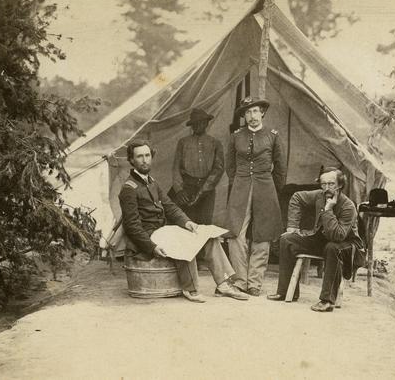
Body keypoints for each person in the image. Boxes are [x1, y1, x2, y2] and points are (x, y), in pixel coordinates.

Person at [118, 139, 249, 303]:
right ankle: (190, 289)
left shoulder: (152, 182)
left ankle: (223, 284)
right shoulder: (129, 189)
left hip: (162, 231)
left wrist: (188, 223)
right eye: (139, 157)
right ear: (131, 160)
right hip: (147, 236)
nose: (145, 160)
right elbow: (132, 227)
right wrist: (152, 247)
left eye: (147, 155)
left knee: (206, 235)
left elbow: (170, 207)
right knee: (184, 241)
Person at [267, 167, 364, 312]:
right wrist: (292, 226)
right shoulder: (319, 195)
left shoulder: (348, 206)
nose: (326, 188)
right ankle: (286, 291)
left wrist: (328, 209)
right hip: (323, 240)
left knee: (332, 247)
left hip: (347, 246)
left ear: (340, 185)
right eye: (323, 184)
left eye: (331, 184)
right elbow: (297, 197)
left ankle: (327, 300)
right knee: (287, 239)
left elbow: (337, 236)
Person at [225, 96, 286, 296]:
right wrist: (238, 182)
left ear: (262, 113)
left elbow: (280, 168)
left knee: (263, 234)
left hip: (265, 186)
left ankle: (254, 283)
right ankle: (240, 280)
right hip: (241, 186)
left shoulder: (273, 135)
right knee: (235, 232)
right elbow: (230, 165)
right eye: (248, 112)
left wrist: (273, 190)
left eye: (255, 111)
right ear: (244, 115)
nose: (252, 116)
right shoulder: (236, 136)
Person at [171, 108, 223, 225]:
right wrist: (179, 190)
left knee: (203, 225)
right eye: (195, 123)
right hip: (186, 186)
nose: (198, 125)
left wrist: (203, 191)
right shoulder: (183, 142)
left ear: (206, 123)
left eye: (202, 122)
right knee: (184, 222)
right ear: (192, 126)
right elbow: (176, 168)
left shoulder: (215, 143)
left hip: (206, 189)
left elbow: (218, 169)